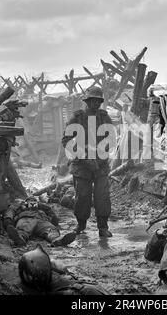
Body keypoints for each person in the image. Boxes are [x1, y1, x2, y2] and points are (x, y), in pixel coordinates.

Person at [61, 87, 114, 238]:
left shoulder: (104, 117)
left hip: (100, 164)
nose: (95, 103)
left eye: (98, 101)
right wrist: (83, 154)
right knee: (82, 196)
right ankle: (81, 224)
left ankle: (103, 227)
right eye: (93, 100)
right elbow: (66, 140)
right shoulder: (77, 117)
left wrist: (99, 155)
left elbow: (111, 139)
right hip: (81, 165)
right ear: (87, 101)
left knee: (102, 196)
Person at [19, 245, 108, 295]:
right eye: (50, 263)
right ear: (49, 271)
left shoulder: (39, 285)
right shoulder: (85, 291)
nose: (54, 261)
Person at [3, 197, 76, 247]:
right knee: (23, 229)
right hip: (26, 219)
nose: (32, 202)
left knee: (50, 229)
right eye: (30, 200)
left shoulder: (41, 207)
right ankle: (19, 238)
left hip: (42, 221)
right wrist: (8, 220)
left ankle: (57, 240)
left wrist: (41, 206)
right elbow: (10, 211)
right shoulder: (19, 206)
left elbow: (53, 217)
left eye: (33, 200)